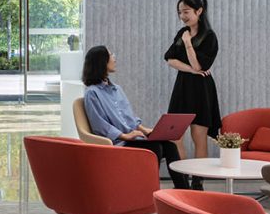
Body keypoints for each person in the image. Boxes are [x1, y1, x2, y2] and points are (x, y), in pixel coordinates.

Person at [81, 45, 197, 189]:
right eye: (111, 55)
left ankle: (183, 191)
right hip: (118, 143)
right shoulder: (92, 93)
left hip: (134, 138)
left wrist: (145, 130)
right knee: (155, 148)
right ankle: (149, 193)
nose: (114, 58)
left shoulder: (117, 89)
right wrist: (126, 136)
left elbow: (129, 117)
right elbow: (99, 125)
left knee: (169, 145)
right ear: (101, 61)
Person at [164, 0, 222, 163]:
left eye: (186, 11)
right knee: (174, 136)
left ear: (199, 11)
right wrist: (190, 70)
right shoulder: (182, 32)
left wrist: (188, 43)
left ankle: (197, 183)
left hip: (201, 90)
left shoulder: (209, 37)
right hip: (182, 87)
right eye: (180, 12)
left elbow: (200, 66)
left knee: (199, 137)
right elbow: (169, 59)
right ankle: (182, 181)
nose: (182, 16)